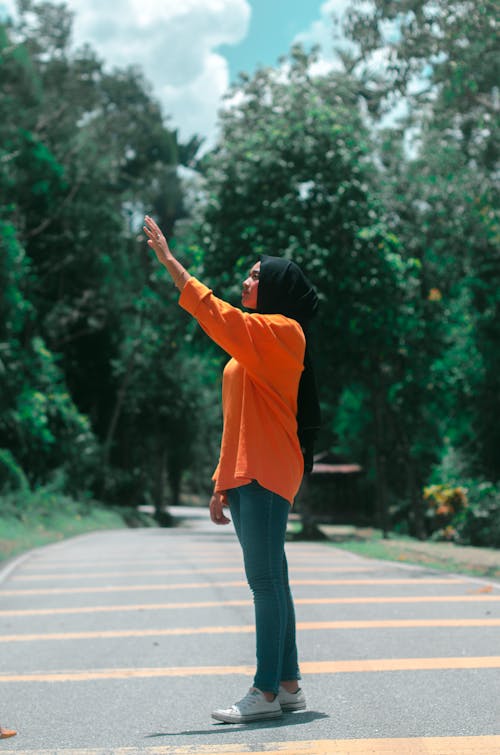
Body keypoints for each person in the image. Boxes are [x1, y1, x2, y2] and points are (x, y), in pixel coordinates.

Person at [143, 216, 320, 724]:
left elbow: (219, 316)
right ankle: (287, 685)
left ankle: (263, 692)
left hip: (268, 470)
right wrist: (221, 483)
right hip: (246, 473)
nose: (246, 280)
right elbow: (234, 422)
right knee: (274, 581)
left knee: (263, 582)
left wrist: (173, 265)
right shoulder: (249, 350)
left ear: (278, 288)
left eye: (255, 275)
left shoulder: (285, 334)